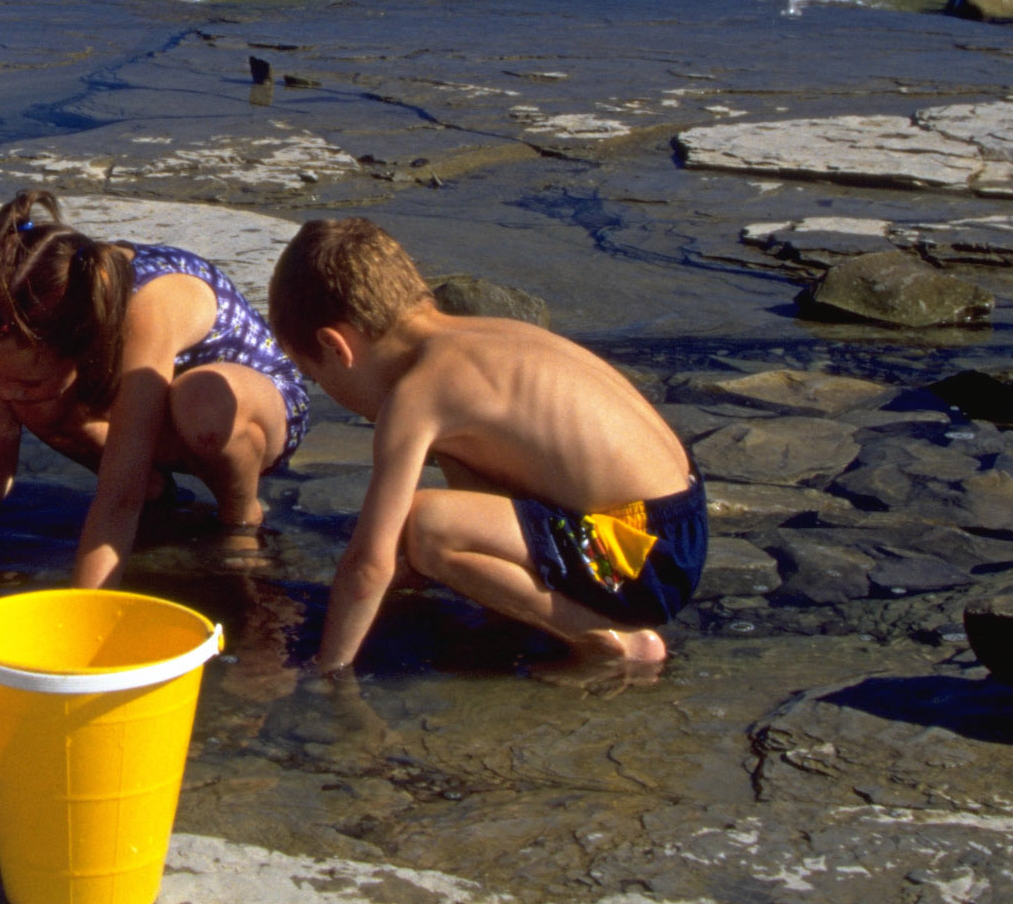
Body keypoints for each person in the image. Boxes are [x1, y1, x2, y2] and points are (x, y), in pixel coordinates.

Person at [269, 218, 702, 685]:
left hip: (639, 556)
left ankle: (611, 639)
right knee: (455, 469)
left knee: (425, 525)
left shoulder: (419, 395)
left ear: (336, 347)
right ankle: (528, 607)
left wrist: (330, 667)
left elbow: (368, 563)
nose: (326, 389)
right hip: (674, 527)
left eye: (315, 378)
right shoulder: (481, 337)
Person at [0, 189, 309, 589]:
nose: (7, 394)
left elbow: (119, 498)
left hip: (252, 405)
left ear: (83, 345)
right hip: (147, 407)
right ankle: (157, 491)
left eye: (27, 382)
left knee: (199, 402)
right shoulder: (25, 305)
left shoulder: (146, 311)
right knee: (41, 405)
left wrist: (86, 612)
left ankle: (241, 516)